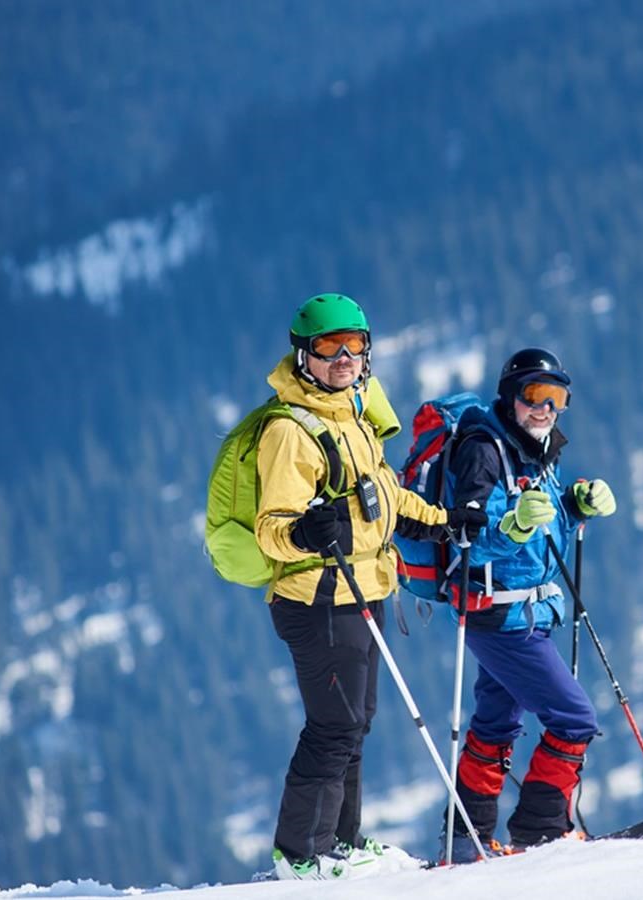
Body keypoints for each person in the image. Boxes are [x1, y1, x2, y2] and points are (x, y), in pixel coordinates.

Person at [255, 293, 487, 880]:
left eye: (354, 347)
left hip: (364, 588)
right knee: (333, 725)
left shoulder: (353, 415)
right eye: (328, 348)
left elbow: (382, 497)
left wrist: (442, 519)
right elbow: (270, 531)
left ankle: (341, 843)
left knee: (356, 722)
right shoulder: (290, 430)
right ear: (304, 356)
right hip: (317, 599)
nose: (342, 358)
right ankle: (301, 853)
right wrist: (307, 530)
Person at [441, 347, 617, 861]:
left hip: (522, 612)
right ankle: (541, 833)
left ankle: (467, 838)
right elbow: (468, 537)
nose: (545, 409)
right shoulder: (484, 450)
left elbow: (542, 528)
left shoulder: (536, 450)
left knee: (496, 724)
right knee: (573, 719)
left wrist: (571, 507)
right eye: (534, 395)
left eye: (557, 397)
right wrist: (512, 524)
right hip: (499, 615)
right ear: (510, 396)